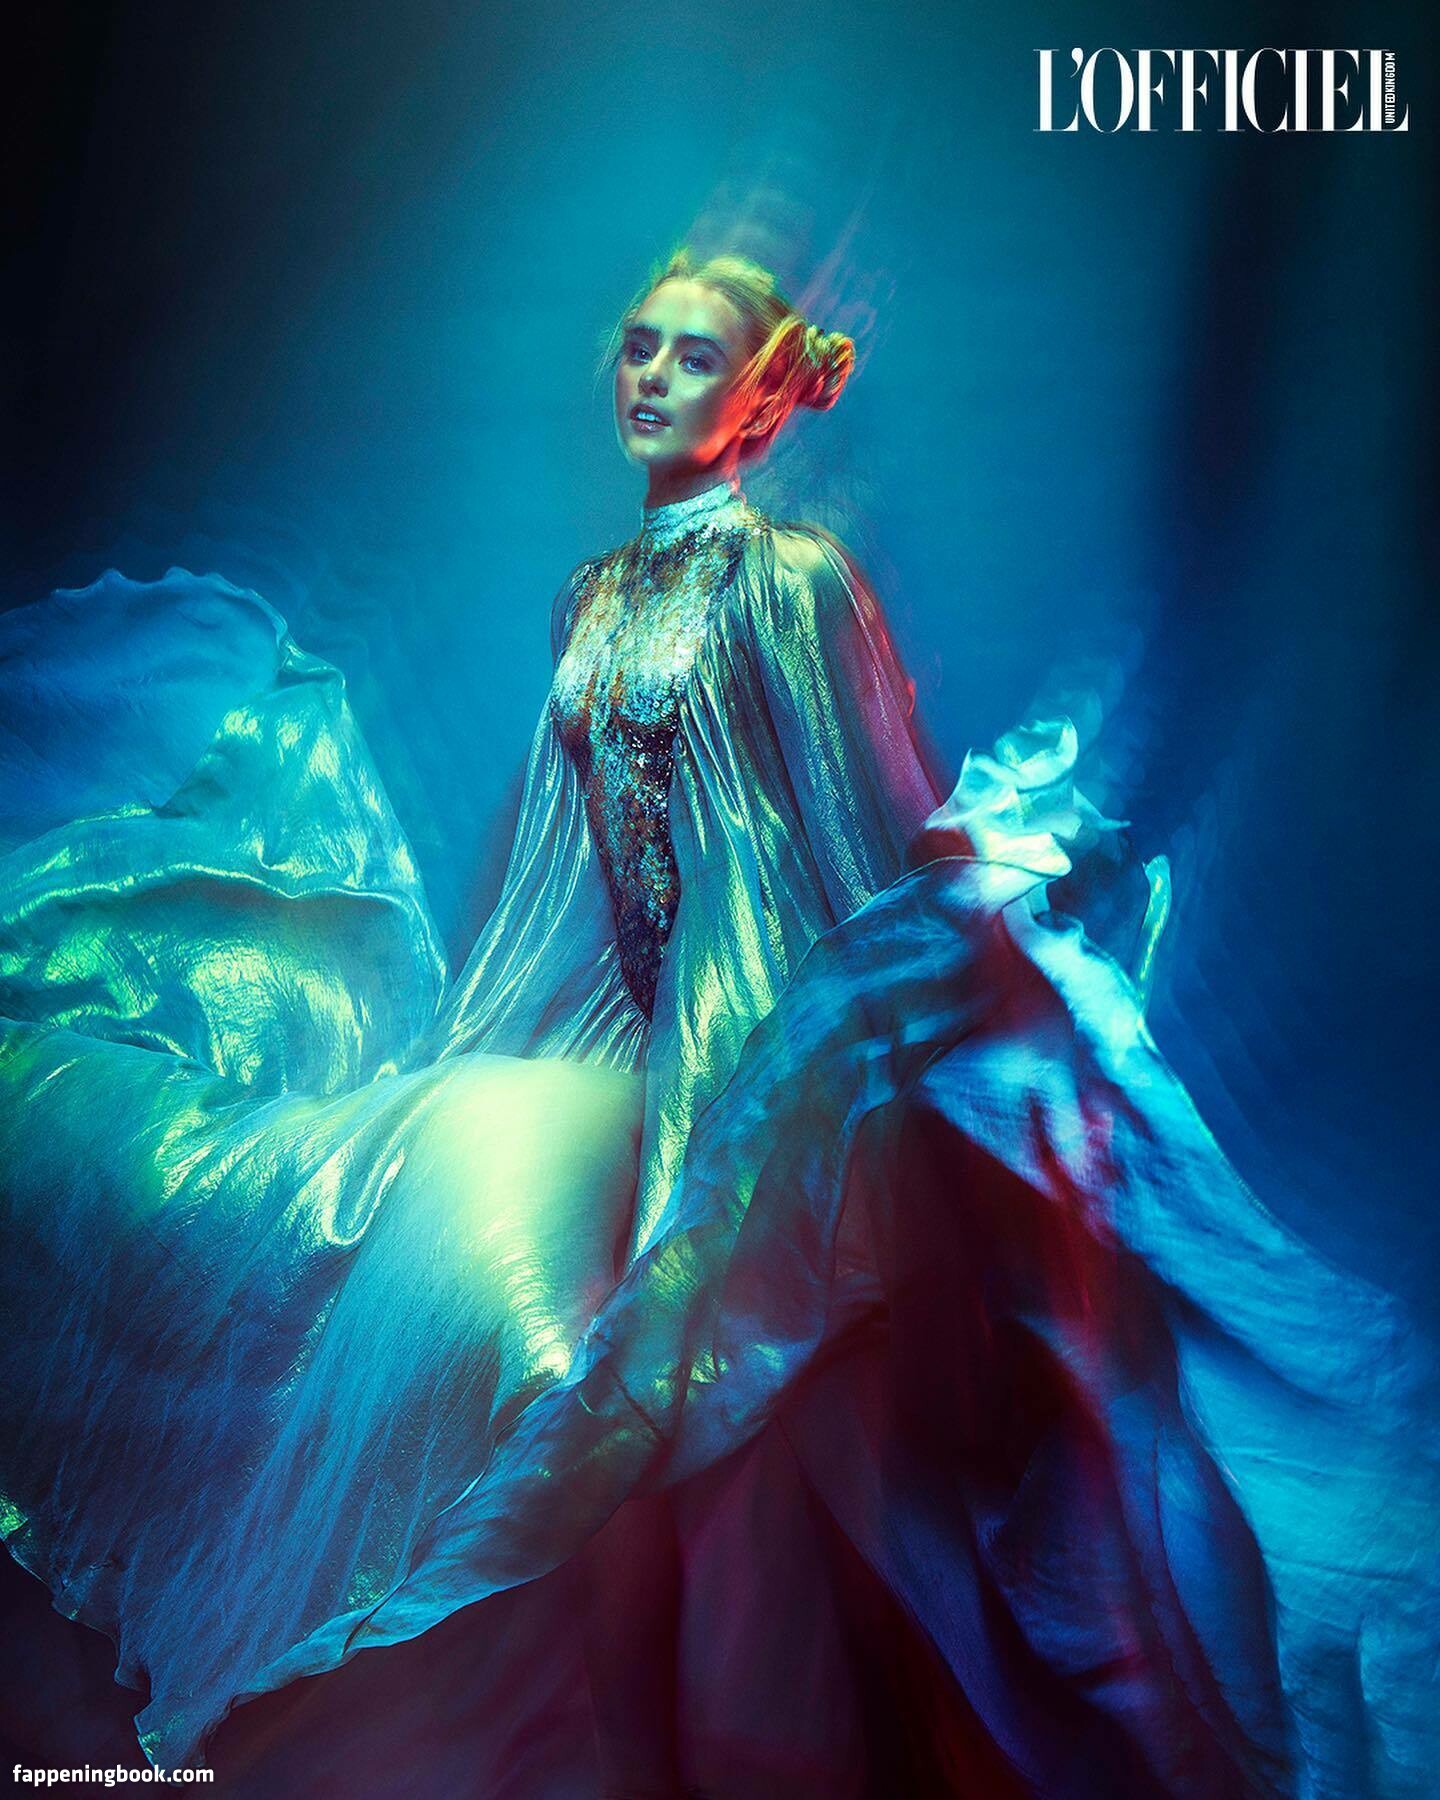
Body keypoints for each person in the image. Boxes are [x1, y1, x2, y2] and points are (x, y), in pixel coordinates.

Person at [0, 247, 1434, 1799]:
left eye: (693, 358)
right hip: (616, 1048)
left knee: (720, 1399)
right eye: (639, 346)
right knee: (412, 1252)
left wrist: (843, 1073)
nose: (651, 378)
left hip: (756, 1055)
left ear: (758, 400)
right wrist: (481, 1046)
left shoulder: (792, 579)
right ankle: (499, 1688)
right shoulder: (590, 597)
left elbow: (854, 838)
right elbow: (559, 882)